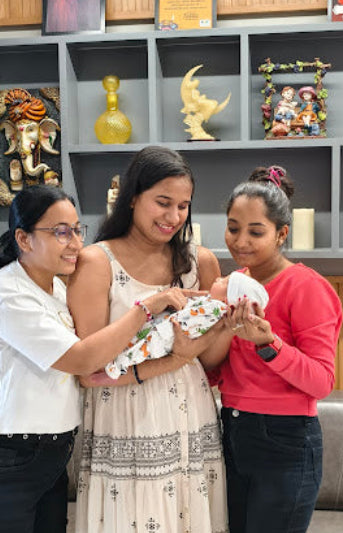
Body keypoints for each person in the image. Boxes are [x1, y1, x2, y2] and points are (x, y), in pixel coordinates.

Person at [0, 185, 202, 533]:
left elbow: (107, 350)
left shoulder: (58, 289)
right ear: (24, 238)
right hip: (14, 453)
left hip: (54, 449)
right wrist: (146, 308)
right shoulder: (9, 294)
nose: (76, 243)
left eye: (78, 230)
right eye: (61, 232)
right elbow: (82, 359)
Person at [67, 146, 229, 533]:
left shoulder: (199, 262)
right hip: (121, 409)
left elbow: (210, 361)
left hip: (190, 411)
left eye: (183, 205)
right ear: (133, 196)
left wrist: (227, 326)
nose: (173, 217)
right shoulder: (96, 262)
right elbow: (88, 366)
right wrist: (171, 353)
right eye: (163, 202)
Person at [200, 165, 343, 533]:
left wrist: (268, 343)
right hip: (231, 431)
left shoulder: (306, 287)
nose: (240, 241)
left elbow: (322, 381)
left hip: (287, 440)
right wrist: (215, 331)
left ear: (282, 234)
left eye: (255, 231)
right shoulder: (232, 285)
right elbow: (216, 373)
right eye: (233, 228)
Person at [105, 270, 269, 379]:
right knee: (138, 340)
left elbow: (190, 318)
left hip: (168, 335)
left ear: (228, 300)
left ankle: (120, 365)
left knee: (143, 349)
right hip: (165, 327)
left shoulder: (216, 309)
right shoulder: (208, 302)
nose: (218, 278)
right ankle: (119, 360)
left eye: (224, 282)